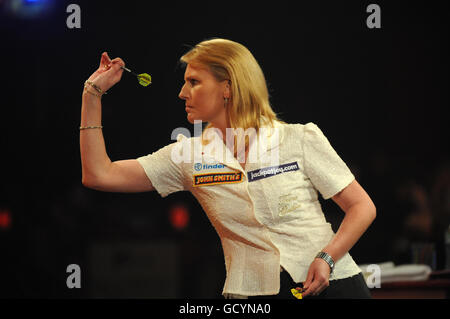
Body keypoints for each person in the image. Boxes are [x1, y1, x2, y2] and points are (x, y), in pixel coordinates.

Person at [80, 38, 376, 299]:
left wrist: (327, 258)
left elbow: (362, 206)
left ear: (228, 87)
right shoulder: (187, 155)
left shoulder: (298, 138)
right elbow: (98, 174)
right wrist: (92, 94)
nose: (182, 93)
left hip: (334, 284)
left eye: (194, 82)